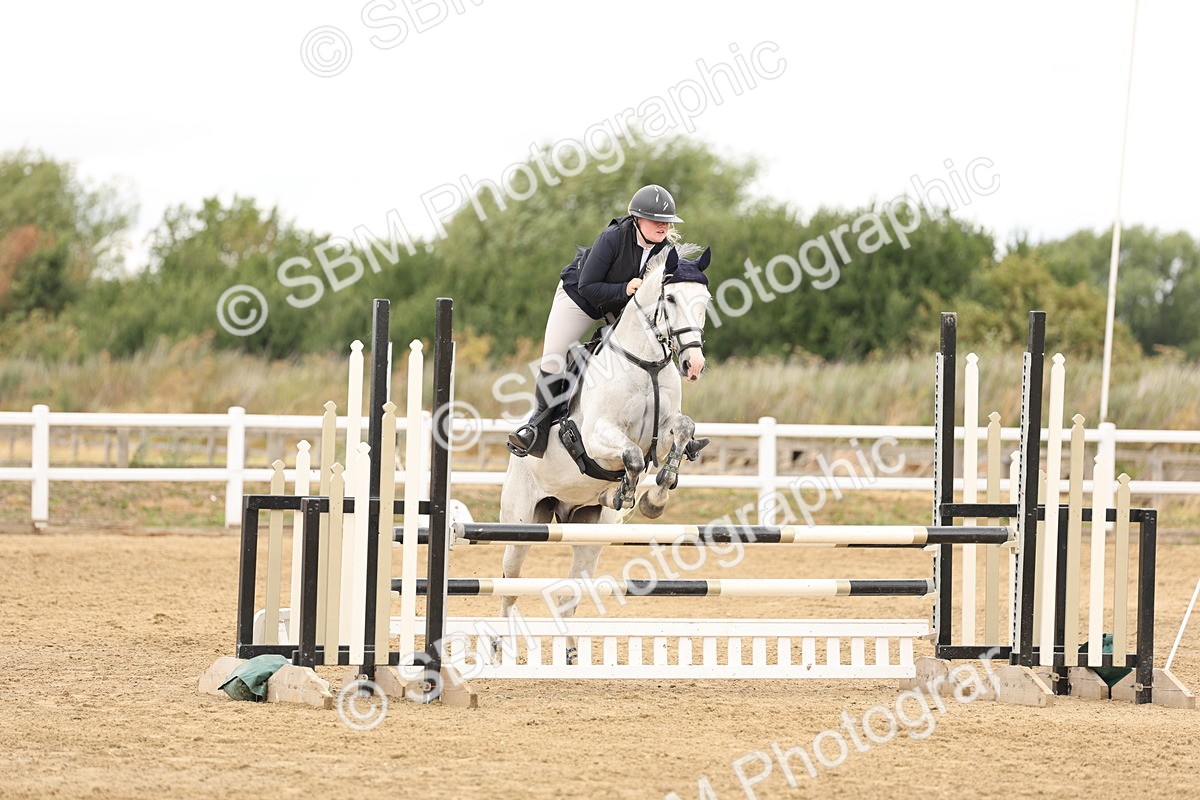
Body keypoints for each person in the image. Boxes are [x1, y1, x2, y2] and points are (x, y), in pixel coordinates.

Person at [507, 184, 684, 457]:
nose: (662, 227)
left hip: (620, 306)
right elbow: (589, 285)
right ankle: (536, 429)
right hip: (580, 299)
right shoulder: (613, 237)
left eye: (666, 222)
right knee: (555, 355)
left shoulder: (666, 251)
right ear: (637, 219)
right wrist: (624, 289)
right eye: (655, 221)